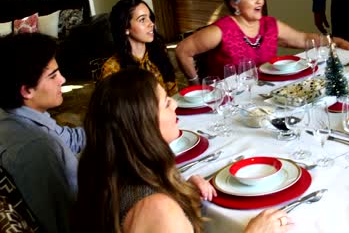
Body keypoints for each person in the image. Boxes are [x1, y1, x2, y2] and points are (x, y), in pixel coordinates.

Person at [74, 69, 293, 233]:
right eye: (166, 103)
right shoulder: (157, 208)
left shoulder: (107, 173)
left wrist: (180, 192)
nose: (175, 105)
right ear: (144, 124)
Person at [176, 0, 349, 84]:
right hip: (229, 97)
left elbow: (302, 39)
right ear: (235, 4)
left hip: (264, 94)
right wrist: (195, 83)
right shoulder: (221, 30)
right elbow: (183, 50)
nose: (259, 1)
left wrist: (334, 40)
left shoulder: (269, 24)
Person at [0, 33, 86, 233]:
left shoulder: (22, 112)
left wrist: (116, 128)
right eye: (53, 75)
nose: (63, 80)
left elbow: (70, 139)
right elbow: (68, 223)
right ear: (27, 90)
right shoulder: (37, 150)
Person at [100, 0, 178, 96]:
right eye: (142, 19)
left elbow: (173, 93)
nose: (151, 24)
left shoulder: (158, 52)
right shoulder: (112, 68)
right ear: (125, 28)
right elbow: (114, 109)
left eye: (150, 18)